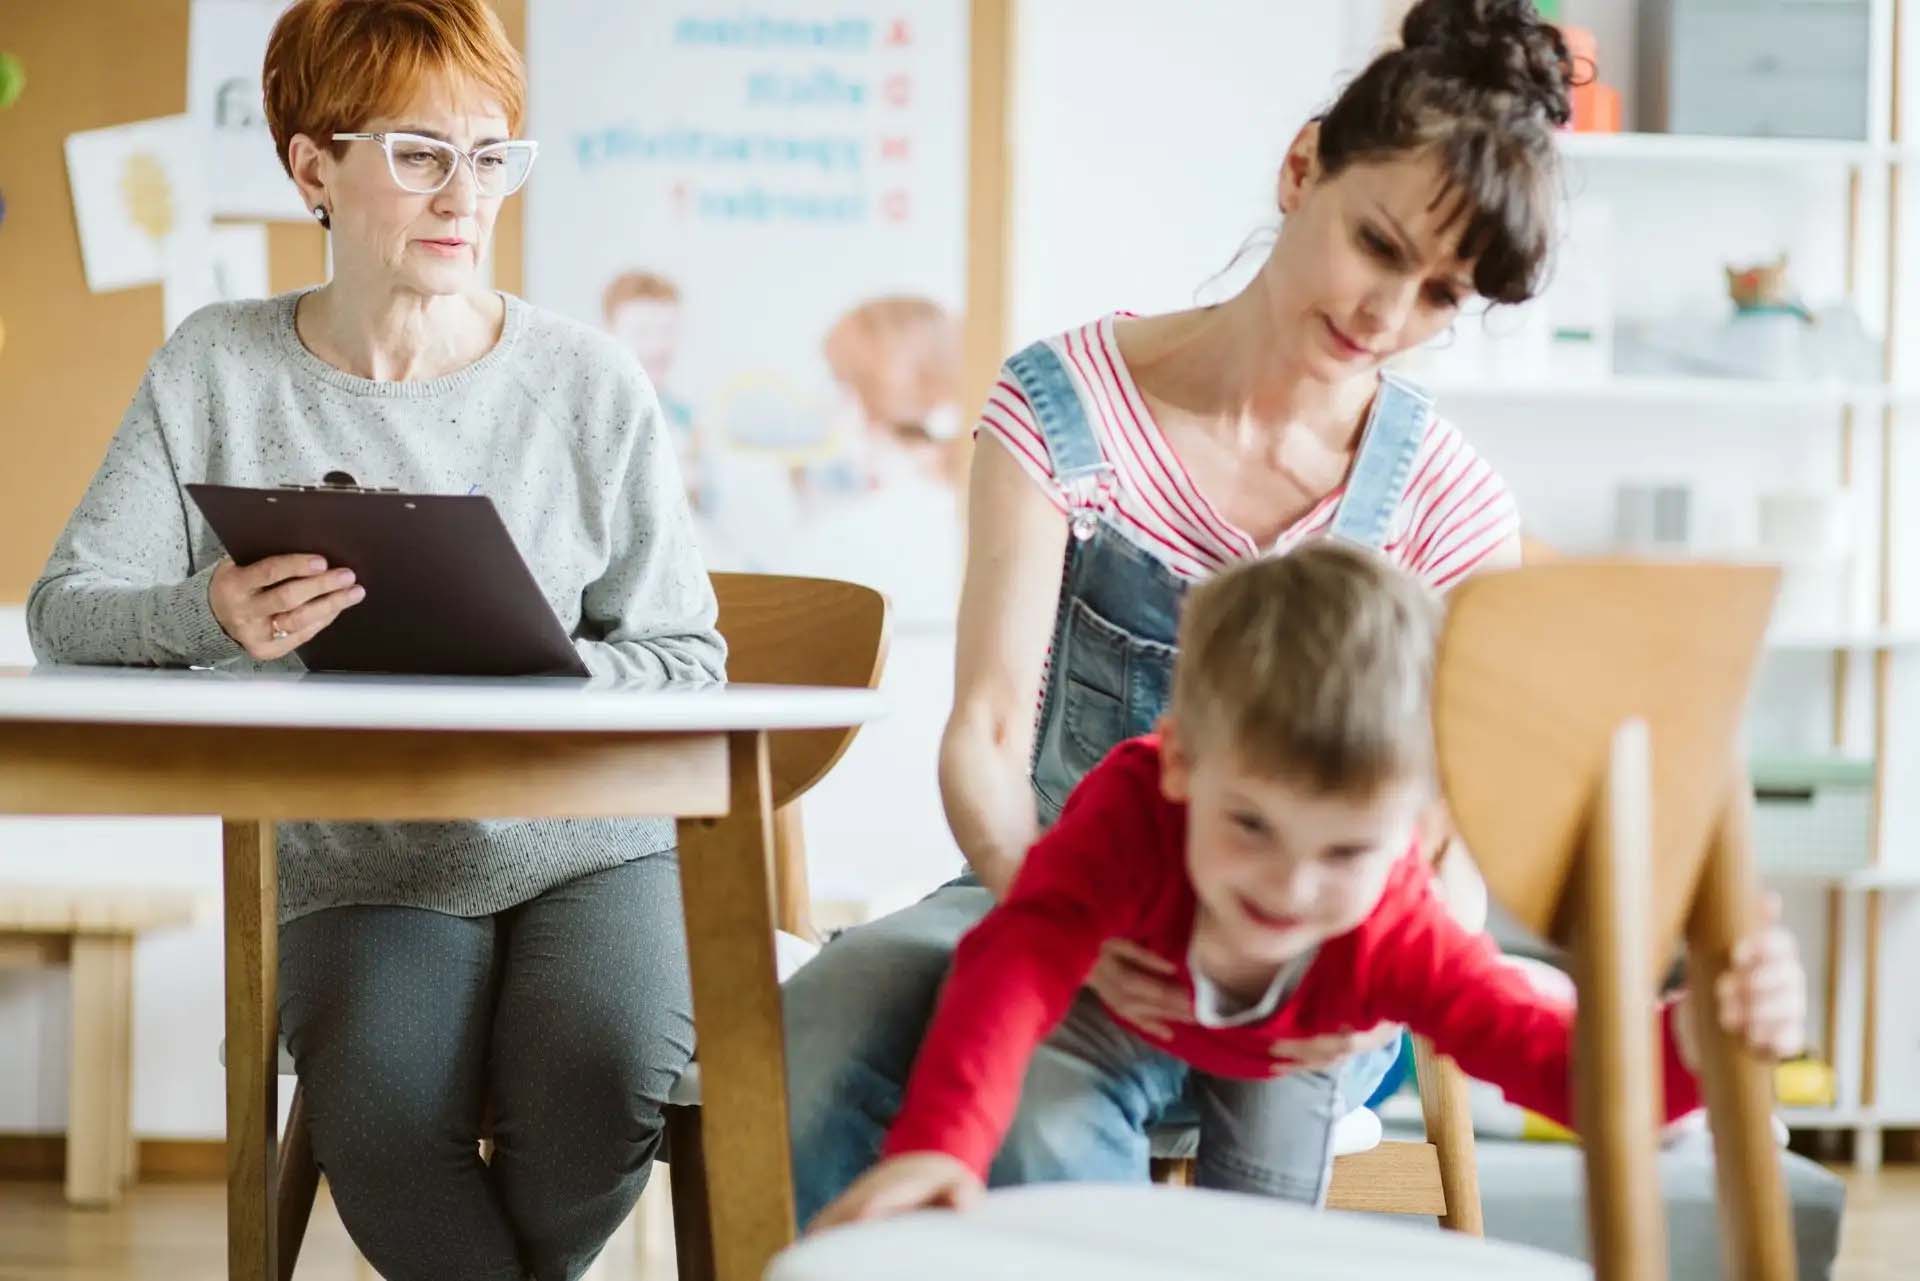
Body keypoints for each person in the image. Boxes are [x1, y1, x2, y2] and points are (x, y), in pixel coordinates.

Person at [784, 0, 1575, 1223]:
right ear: (1303, 166)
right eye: (1377, 244)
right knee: (823, 1035)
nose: (1386, 317)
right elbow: (989, 733)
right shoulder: (1065, 406)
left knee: (1055, 1112)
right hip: (1048, 883)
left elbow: (1454, 849)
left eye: (1440, 296)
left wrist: (1349, 981)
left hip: (1309, 950)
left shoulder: (1450, 499)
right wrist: (1045, 906)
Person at [25, 2, 723, 1277]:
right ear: (313, 168)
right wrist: (210, 613)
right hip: (364, 858)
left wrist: (536, 669)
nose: (466, 194)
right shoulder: (215, 368)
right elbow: (66, 610)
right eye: (418, 154)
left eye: (492, 153)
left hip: (591, 844)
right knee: (387, 1122)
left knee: (603, 1076)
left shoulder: (591, 381)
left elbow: (686, 658)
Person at [815, 544, 1809, 1224]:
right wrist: (942, 1143)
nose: (1289, 886)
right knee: (1046, 1148)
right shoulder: (1128, 814)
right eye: (1251, 825)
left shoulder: (1393, 930)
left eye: (1344, 853)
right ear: (1179, 764)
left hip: (1293, 1053)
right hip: (1120, 1011)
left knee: (1262, 1241)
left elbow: (1559, 1066)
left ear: (1413, 833)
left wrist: (1698, 1039)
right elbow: (1016, 962)